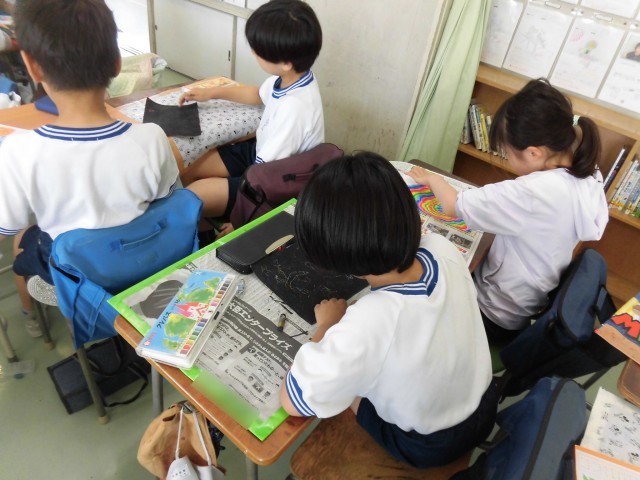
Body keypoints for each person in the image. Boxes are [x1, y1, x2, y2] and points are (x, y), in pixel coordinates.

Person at [280, 152, 497, 468]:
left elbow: (293, 401)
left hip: (430, 444)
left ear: (336, 260)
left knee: (350, 393)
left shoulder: (369, 322)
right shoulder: (442, 248)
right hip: (485, 401)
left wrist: (327, 326)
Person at [0, 0, 179, 337]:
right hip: (141, 260)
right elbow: (168, 202)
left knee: (21, 239)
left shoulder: (18, 151)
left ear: (32, 66)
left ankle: (31, 319)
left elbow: (6, 226)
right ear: (117, 62)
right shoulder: (152, 137)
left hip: (75, 273)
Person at [408, 78, 609, 343]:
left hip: (491, 314)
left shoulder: (533, 192)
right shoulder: (588, 173)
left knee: (413, 284)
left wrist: (433, 179)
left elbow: (454, 204)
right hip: (524, 303)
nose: (506, 158)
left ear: (534, 153)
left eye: (507, 152)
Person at [177, 0, 324, 227]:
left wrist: (241, 222)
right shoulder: (290, 77)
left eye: (259, 50)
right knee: (190, 169)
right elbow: (257, 94)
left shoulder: (295, 108)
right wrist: (211, 92)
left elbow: (266, 178)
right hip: (262, 155)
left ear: (286, 62)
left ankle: (223, 226)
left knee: (194, 195)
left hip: (280, 181)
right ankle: (207, 225)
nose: (254, 52)